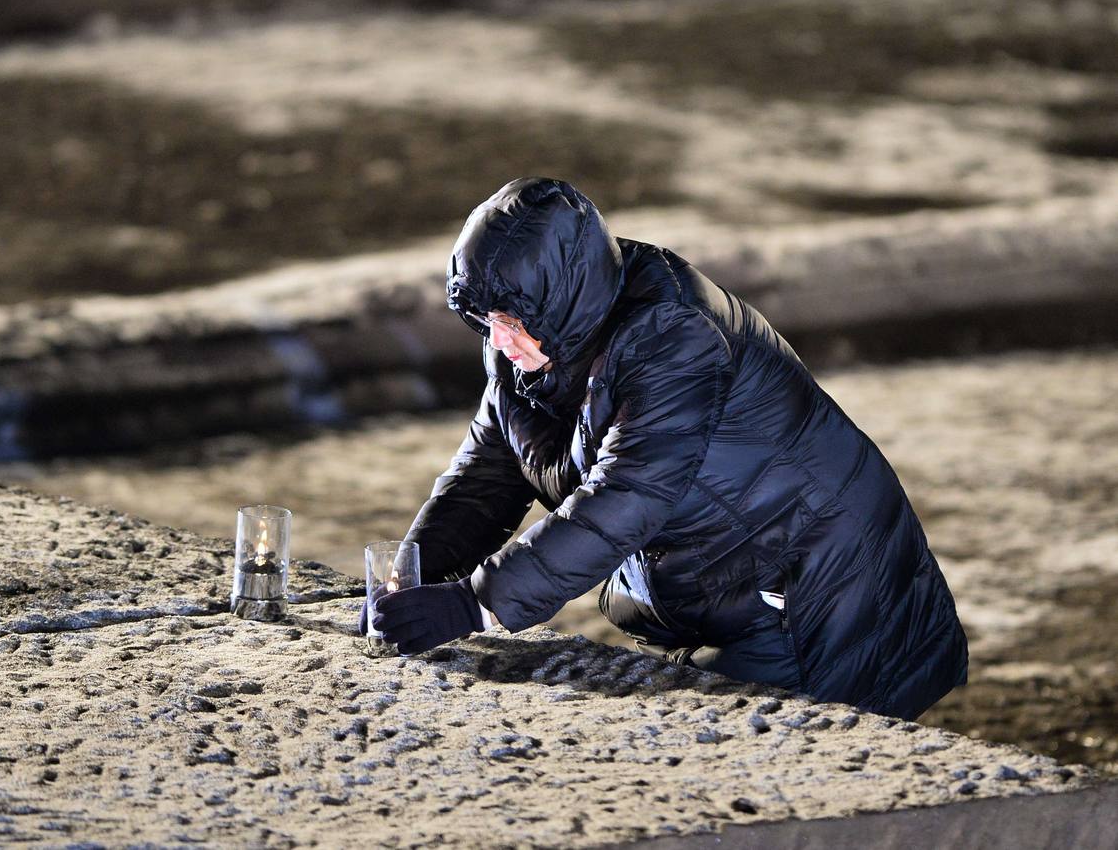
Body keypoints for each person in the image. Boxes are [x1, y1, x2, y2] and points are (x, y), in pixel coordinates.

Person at [366, 176, 968, 720]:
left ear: (565, 298)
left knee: (770, 781)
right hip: (728, 587)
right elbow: (486, 475)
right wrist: (414, 576)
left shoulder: (673, 336)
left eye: (511, 318)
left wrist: (478, 604)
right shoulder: (529, 343)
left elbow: (629, 494)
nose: (497, 338)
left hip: (811, 591)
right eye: (483, 318)